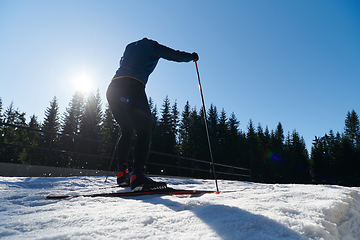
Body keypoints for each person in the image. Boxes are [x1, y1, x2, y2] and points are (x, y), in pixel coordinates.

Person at [106, 37, 199, 192]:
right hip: (133, 86)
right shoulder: (152, 45)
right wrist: (192, 57)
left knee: (127, 130)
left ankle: (123, 174)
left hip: (113, 88)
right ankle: (138, 176)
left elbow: (122, 62)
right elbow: (174, 55)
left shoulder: (129, 46)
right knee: (144, 131)